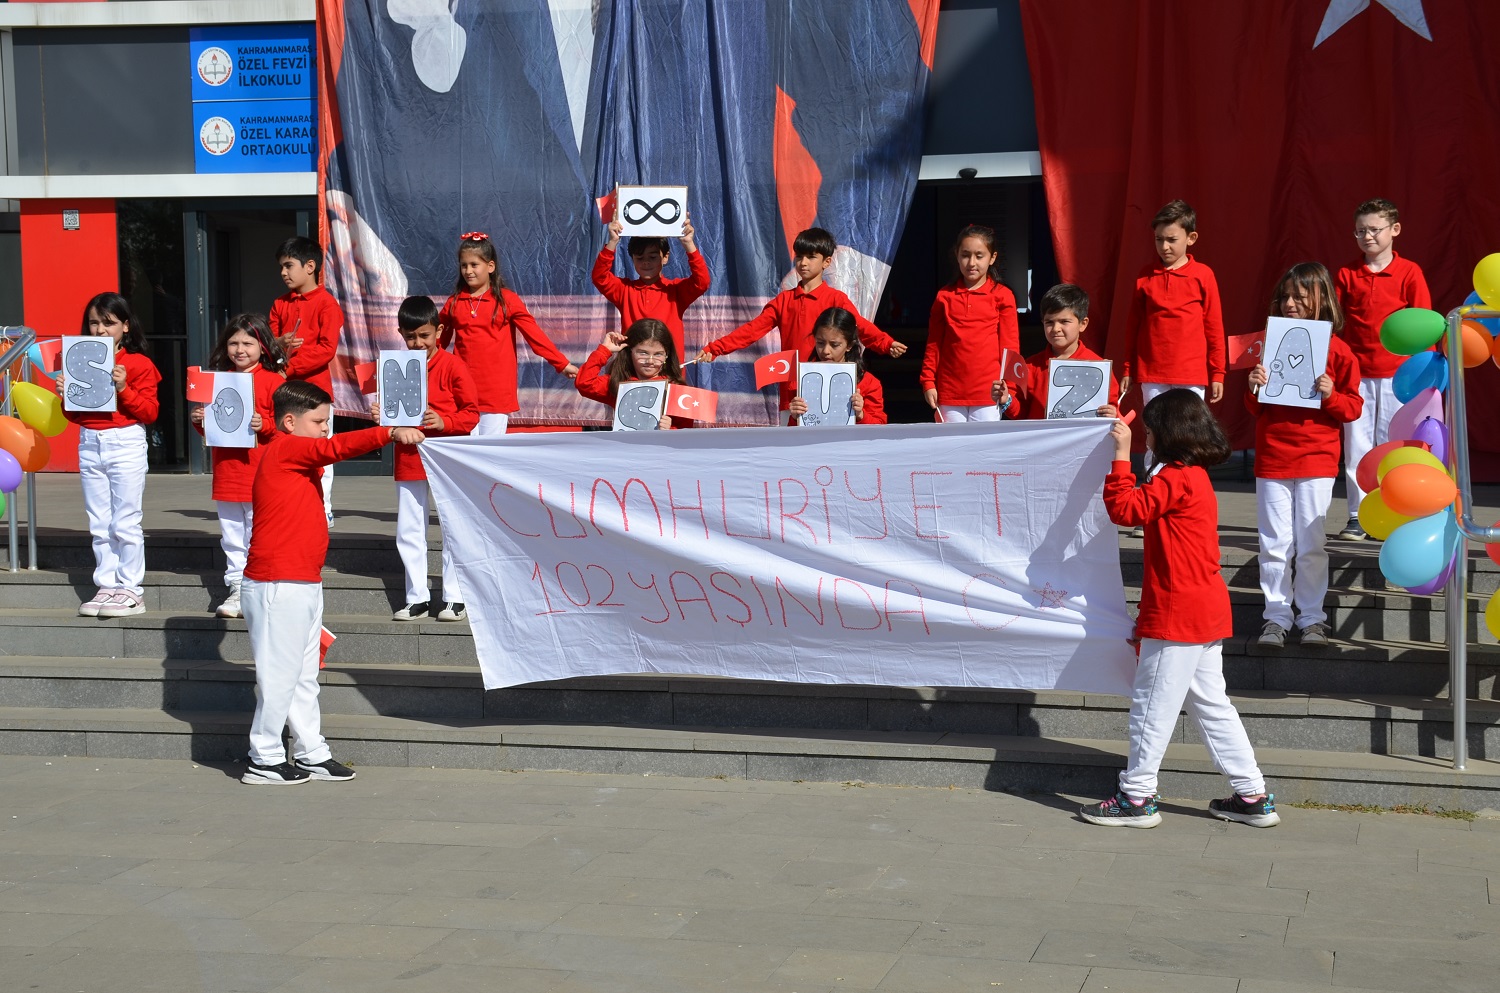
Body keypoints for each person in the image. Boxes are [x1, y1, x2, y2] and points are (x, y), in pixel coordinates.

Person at [1083, 390, 1279, 829]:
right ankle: (1253, 795)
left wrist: (1118, 454)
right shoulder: (1191, 474)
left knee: (1152, 707)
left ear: (1164, 433)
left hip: (1178, 613)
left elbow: (1124, 508)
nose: (1145, 438)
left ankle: (1136, 797)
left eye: (1148, 431)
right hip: (1201, 609)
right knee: (1212, 706)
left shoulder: (1174, 475)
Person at [241, 381, 425, 785]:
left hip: (300, 581)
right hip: (277, 583)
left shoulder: (295, 455)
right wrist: (389, 432)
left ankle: (310, 753)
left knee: (303, 676)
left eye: (329, 420)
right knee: (279, 675)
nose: (326, 428)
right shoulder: (286, 447)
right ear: (289, 422)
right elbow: (334, 449)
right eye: (319, 421)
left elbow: (328, 450)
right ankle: (264, 757)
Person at [1248, 264, 1363, 648]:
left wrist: (1331, 394)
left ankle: (1312, 617)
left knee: (1311, 541)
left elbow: (1352, 409)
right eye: (1285, 296)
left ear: (1322, 298)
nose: (1291, 303)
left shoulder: (1340, 351)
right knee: (1274, 542)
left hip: (1316, 458)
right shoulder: (1269, 343)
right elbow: (1254, 409)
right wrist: (1254, 387)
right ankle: (1276, 618)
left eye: (1300, 296)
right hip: (1273, 458)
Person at [696, 227, 907, 421]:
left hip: (830, 387)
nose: (803, 262)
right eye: (799, 256)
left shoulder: (836, 299)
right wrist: (715, 349)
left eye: (811, 257)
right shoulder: (783, 301)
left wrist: (886, 343)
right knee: (792, 451)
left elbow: (858, 325)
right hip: (794, 393)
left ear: (827, 262)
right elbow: (751, 330)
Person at [56, 293, 162, 619]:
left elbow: (150, 411)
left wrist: (124, 388)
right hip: (90, 442)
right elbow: (77, 416)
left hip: (125, 441)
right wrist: (66, 395)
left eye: (109, 322)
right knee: (99, 521)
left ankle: (131, 588)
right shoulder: (79, 359)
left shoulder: (138, 364)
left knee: (126, 521)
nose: (100, 329)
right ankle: (106, 584)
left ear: (125, 326)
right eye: (94, 322)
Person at [379, 296, 480, 621]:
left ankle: (454, 596)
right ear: (400, 333)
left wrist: (445, 422)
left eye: (424, 335)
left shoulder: (453, 366)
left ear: (438, 331)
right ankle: (416, 597)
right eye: (410, 336)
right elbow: (387, 413)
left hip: (447, 458)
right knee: (409, 529)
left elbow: (472, 414)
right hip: (408, 457)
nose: (417, 342)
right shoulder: (392, 367)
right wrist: (380, 414)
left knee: (453, 527)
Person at [1335, 198, 1431, 539]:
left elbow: (1424, 327)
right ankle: (1358, 517)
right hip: (1357, 376)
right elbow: (1336, 324)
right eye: (1360, 231)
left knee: (1395, 445)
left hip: (1400, 377)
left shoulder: (1410, 272)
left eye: (1374, 229)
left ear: (1395, 230)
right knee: (1356, 447)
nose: (1367, 237)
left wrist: (1426, 375)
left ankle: (1396, 513)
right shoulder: (1346, 274)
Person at [189, 314, 286, 619]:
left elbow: (288, 428)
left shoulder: (275, 381)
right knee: (232, 533)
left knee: (260, 530)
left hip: (262, 472)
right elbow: (215, 430)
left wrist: (266, 425)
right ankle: (236, 588)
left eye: (247, 342)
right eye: (233, 342)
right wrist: (200, 423)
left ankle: (261, 586)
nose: (239, 349)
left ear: (263, 345)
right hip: (228, 471)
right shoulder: (216, 380)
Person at [437, 231, 579, 436]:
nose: (468, 271)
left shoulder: (506, 300)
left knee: (490, 451)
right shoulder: (454, 302)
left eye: (474, 265)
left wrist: (561, 363)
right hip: (462, 390)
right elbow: (438, 341)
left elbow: (534, 335)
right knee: (464, 450)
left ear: (491, 266)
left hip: (496, 391)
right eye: (464, 265)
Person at [1120, 200, 1226, 464]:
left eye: (1171, 239)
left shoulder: (1203, 275)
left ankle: (1189, 489)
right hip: (1153, 372)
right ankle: (1154, 486)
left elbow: (1214, 328)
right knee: (1155, 433)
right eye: (1158, 239)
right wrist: (1127, 369)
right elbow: (1132, 326)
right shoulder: (1145, 276)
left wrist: (1218, 373)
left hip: (1190, 373)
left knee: (1190, 434)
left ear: (1191, 238)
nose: (1164, 246)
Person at [269, 236, 343, 525]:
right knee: (283, 446)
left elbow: (326, 349)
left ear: (310, 266)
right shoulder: (279, 304)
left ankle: (322, 507)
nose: (284, 273)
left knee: (320, 447)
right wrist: (277, 343)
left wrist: (289, 368)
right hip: (284, 390)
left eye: (289, 266)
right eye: (281, 268)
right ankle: (288, 503)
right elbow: (264, 344)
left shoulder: (327, 304)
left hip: (315, 392)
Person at [921, 223, 1020, 422]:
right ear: (957, 255)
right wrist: (928, 381)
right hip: (949, 391)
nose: (971, 262)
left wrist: (1010, 388)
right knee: (952, 448)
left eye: (979, 255)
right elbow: (934, 344)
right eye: (965, 255)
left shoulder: (1003, 296)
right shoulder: (944, 296)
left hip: (989, 391)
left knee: (986, 449)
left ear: (992, 258)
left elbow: (1010, 346)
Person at [592, 214, 710, 363]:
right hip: (633, 371)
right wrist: (613, 241)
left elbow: (702, 282)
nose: (646, 263)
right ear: (632, 259)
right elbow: (599, 277)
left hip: (668, 371)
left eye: (652, 257)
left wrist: (689, 244)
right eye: (640, 258)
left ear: (665, 257)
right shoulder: (624, 290)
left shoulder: (675, 291)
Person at [997, 283, 1117, 421]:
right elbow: (1021, 414)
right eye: (1049, 322)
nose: (1055, 328)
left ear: (1083, 324)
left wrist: (1112, 414)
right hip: (1042, 441)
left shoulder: (1099, 367)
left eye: (1064, 321)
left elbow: (1112, 410)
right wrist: (1007, 400)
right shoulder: (1030, 367)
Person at [575, 318, 694, 429]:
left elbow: (687, 433)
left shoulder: (676, 388)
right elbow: (584, 383)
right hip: (626, 449)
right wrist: (604, 350)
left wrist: (671, 429)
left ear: (667, 355)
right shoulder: (619, 384)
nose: (650, 361)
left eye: (658, 354)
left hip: (661, 450)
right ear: (629, 352)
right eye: (643, 353)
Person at [788, 307, 886, 425]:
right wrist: (795, 417)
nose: (825, 351)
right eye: (820, 343)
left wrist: (860, 414)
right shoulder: (803, 380)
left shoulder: (869, 383)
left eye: (834, 345)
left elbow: (880, 428)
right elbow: (795, 434)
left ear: (849, 345)